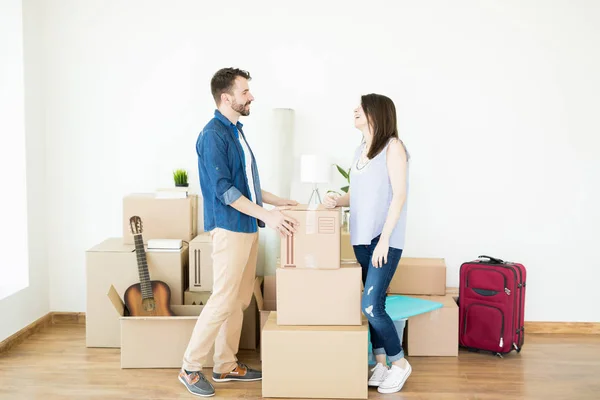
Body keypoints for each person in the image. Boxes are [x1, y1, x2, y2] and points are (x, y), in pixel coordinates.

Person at [179, 67, 299, 397]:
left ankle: (225, 364)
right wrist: (268, 215)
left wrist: (278, 201)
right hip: (229, 229)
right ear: (226, 97)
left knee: (239, 299)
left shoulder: (236, 131)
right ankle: (190, 367)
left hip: (247, 226)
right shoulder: (212, 135)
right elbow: (225, 191)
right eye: (245, 92)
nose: (251, 97)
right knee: (222, 299)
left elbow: (247, 184)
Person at [324, 93, 411, 394]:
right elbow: (359, 195)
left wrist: (385, 239)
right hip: (360, 240)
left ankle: (399, 363)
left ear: (377, 113)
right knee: (376, 304)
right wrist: (338, 200)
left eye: (361, 108)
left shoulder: (393, 147)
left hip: (383, 240)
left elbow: (398, 194)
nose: (355, 111)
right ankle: (381, 363)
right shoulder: (359, 150)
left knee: (371, 306)